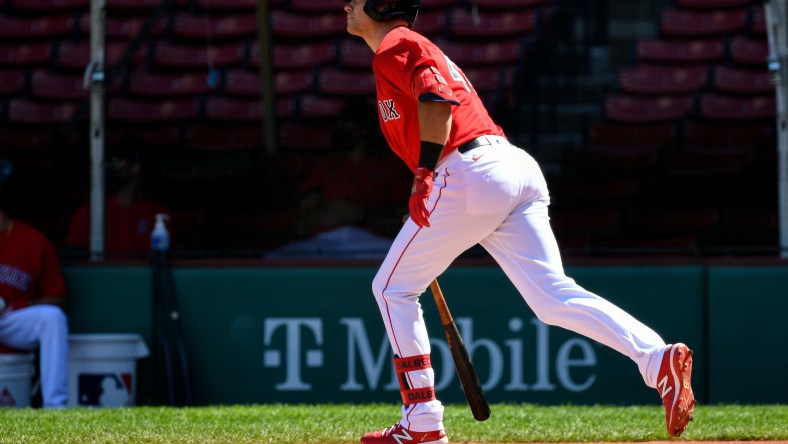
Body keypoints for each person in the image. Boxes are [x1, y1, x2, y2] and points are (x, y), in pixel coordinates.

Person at [341, 1, 695, 443]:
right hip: (507, 166)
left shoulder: (396, 42)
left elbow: (437, 100)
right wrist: (430, 177)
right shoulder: (406, 44)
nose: (347, 4)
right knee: (552, 298)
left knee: (391, 288)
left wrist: (426, 175)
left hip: (467, 170)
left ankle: (422, 421)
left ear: (381, 5)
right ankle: (657, 358)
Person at [0, 158, 69, 408]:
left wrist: (20, 303)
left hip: (9, 318)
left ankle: (55, 406)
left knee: (53, 318)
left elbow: (58, 296)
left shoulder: (33, 241)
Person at [297, 98, 410, 238]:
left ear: (364, 131)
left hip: (369, 243)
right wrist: (330, 213)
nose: (340, 130)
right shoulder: (326, 166)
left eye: (347, 125)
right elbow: (302, 222)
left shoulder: (390, 168)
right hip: (324, 243)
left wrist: (362, 215)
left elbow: (404, 222)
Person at [64, 136, 173, 258]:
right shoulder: (90, 213)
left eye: (116, 161)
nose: (110, 167)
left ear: (136, 167)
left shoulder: (158, 216)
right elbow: (73, 258)